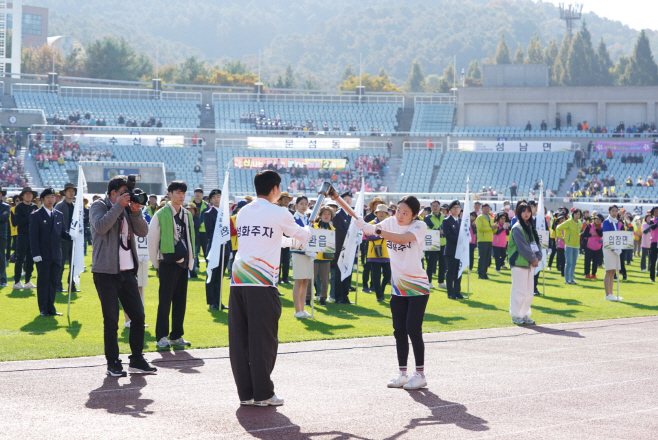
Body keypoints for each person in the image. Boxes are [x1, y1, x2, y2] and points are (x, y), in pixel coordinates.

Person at [228, 170, 312, 407]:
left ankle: (247, 394)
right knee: (263, 339)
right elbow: (302, 234)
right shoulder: (278, 211)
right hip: (262, 284)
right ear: (275, 189)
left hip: (238, 282)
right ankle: (264, 393)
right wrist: (308, 230)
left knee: (240, 340)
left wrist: (291, 240)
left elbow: (267, 238)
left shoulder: (244, 211)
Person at [354, 196, 430, 390]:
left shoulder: (419, 226)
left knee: (413, 329)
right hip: (397, 287)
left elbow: (401, 239)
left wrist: (376, 229)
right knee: (399, 331)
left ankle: (420, 374)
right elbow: (373, 230)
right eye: (398, 211)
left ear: (414, 215)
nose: (400, 216)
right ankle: (402, 373)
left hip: (417, 287)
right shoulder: (389, 222)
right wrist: (363, 225)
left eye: (406, 213)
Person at [90, 175, 156, 377]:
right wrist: (118, 206)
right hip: (106, 272)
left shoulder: (128, 208)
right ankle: (113, 363)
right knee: (111, 320)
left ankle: (136, 359)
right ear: (112, 193)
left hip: (128, 272)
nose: (127, 197)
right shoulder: (98, 206)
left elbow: (143, 232)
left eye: (128, 193)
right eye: (122, 193)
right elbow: (101, 227)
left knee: (138, 317)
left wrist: (136, 213)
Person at [148, 181, 195, 349]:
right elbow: (152, 239)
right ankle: (161, 336)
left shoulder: (187, 214)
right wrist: (157, 263)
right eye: (178, 192)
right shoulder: (161, 214)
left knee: (180, 301)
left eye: (183, 193)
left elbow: (190, 239)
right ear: (169, 194)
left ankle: (176, 335)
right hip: (167, 262)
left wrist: (191, 260)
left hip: (183, 263)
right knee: (165, 300)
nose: (181, 196)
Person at [29, 188, 71, 316]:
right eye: (48, 197)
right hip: (43, 255)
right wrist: (36, 254)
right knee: (43, 282)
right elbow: (33, 237)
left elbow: (63, 233)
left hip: (56, 255)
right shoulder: (36, 215)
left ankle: (51, 308)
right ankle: (43, 309)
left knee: (53, 282)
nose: (51, 199)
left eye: (53, 197)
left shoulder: (59, 214)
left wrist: (73, 235)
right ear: (42, 200)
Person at [508, 201, 542, 325]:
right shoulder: (517, 227)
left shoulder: (530, 227)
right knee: (519, 290)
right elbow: (522, 247)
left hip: (529, 263)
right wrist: (534, 259)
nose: (527, 214)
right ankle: (516, 316)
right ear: (518, 213)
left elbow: (536, 244)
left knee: (528, 291)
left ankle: (525, 314)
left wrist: (538, 256)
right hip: (519, 263)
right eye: (524, 211)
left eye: (528, 211)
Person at [203, 189, 231, 311]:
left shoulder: (225, 214)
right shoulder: (208, 213)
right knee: (212, 275)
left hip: (225, 248)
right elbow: (209, 233)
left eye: (218, 196)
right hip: (214, 248)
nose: (216, 199)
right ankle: (212, 302)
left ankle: (218, 300)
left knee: (220, 276)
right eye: (213, 197)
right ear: (210, 200)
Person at [292, 196, 315, 318]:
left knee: (305, 281)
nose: (304, 206)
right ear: (296, 205)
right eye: (302, 203)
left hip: (309, 253)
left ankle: (302, 309)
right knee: (298, 280)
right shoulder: (294, 219)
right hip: (298, 252)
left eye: (306, 204)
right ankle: (297, 310)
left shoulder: (308, 219)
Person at [55, 182, 78, 293]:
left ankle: (71, 285)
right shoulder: (59, 205)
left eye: (73, 191)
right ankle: (58, 285)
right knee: (61, 263)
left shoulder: (75, 206)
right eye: (69, 191)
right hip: (62, 240)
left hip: (73, 239)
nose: (71, 192)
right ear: (64, 192)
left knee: (73, 264)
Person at [13, 187, 38, 289]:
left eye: (30, 193)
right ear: (22, 196)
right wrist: (30, 216)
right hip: (22, 236)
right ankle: (17, 282)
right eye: (26, 194)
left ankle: (27, 281)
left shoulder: (35, 206)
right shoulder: (19, 207)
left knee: (30, 260)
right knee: (20, 258)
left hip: (33, 236)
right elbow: (17, 222)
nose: (28, 195)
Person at [309, 206, 335, 306]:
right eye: (324, 214)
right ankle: (308, 298)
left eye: (329, 214)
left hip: (326, 258)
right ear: (320, 215)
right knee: (311, 279)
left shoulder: (332, 229)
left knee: (325, 280)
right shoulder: (314, 226)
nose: (326, 216)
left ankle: (322, 298)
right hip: (314, 257)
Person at [332, 191, 354, 304]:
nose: (348, 201)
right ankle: (338, 296)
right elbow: (339, 231)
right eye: (345, 199)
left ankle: (346, 295)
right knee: (339, 272)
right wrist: (351, 236)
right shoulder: (337, 214)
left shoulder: (353, 215)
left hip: (350, 249)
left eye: (350, 199)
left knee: (348, 272)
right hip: (340, 248)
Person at [366, 204, 391, 302]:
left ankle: (381, 290)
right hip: (373, 253)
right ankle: (379, 295)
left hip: (387, 253)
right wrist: (383, 235)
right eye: (379, 212)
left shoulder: (390, 224)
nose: (381, 214)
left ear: (386, 214)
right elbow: (369, 236)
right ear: (376, 213)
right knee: (376, 276)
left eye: (383, 212)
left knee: (388, 275)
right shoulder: (371, 223)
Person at [443, 200, 464, 300]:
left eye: (458, 208)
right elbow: (448, 236)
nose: (456, 210)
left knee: (458, 272)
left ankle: (457, 291)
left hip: (460, 251)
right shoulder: (446, 221)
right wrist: (460, 240)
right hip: (451, 250)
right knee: (451, 272)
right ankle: (450, 293)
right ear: (450, 210)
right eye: (454, 208)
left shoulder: (461, 221)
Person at [602, 205, 623, 301]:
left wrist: (619, 247)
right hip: (608, 248)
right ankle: (607, 294)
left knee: (613, 271)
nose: (614, 212)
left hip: (615, 248)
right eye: (613, 211)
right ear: (609, 212)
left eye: (616, 211)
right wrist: (614, 248)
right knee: (608, 270)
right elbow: (607, 236)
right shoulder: (606, 222)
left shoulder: (616, 222)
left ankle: (611, 293)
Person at [423, 200, 446, 289]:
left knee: (442, 264)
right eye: (433, 206)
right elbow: (427, 230)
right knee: (431, 263)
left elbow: (446, 228)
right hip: (433, 243)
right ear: (431, 207)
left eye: (436, 206)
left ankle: (441, 282)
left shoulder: (444, 217)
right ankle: (428, 282)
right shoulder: (428, 218)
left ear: (439, 206)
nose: (435, 207)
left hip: (443, 242)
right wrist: (438, 231)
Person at [557, 208, 582, 285]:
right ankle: (567, 279)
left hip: (576, 245)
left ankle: (571, 279)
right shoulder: (568, 222)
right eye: (576, 214)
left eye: (579, 214)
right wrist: (562, 237)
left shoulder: (580, 223)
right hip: (569, 245)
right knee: (569, 263)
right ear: (573, 214)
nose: (577, 216)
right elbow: (558, 228)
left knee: (574, 263)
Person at [475, 204, 495, 280]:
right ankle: (480, 273)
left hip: (489, 239)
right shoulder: (479, 218)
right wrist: (491, 228)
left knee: (487, 258)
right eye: (485, 208)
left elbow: (492, 228)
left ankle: (485, 273)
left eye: (488, 208)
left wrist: (495, 227)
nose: (487, 210)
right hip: (482, 240)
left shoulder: (490, 217)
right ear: (482, 209)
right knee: (482, 258)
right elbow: (480, 228)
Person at [277, 192, 293, 286]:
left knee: (286, 259)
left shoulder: (291, 213)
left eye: (287, 199)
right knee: (278, 259)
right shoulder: (277, 211)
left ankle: (285, 278)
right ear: (280, 200)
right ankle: (278, 278)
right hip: (278, 239)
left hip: (288, 238)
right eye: (284, 199)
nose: (286, 200)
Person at [191, 188, 210, 266]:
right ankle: (196, 265)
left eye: (199, 192)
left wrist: (200, 224)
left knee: (205, 248)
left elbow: (208, 217)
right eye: (196, 192)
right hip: (193, 230)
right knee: (194, 248)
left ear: (202, 195)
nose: (197, 194)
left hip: (203, 230)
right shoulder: (190, 204)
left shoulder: (206, 205)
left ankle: (208, 265)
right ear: (194, 194)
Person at [583, 214, 604, 279]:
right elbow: (584, 234)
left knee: (595, 261)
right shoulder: (589, 226)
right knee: (587, 261)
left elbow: (600, 234)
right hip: (588, 246)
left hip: (597, 247)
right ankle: (587, 274)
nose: (598, 221)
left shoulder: (602, 227)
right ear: (594, 219)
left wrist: (596, 229)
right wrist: (591, 234)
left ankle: (593, 274)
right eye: (596, 219)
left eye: (599, 220)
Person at [647, 207, 658, 282]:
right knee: (652, 260)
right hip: (654, 242)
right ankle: (652, 277)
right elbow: (652, 227)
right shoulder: (652, 220)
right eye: (655, 211)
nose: (656, 213)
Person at [0, 187, 8, 287]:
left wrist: (3, 216)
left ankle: (3, 279)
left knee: (1, 257)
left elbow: (5, 218)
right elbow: (2, 217)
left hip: (1, 235)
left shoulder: (6, 206)